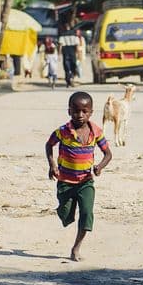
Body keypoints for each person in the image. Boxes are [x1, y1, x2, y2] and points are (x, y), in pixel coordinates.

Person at [46, 92, 113, 262]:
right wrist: (52, 165)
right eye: (76, 111)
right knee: (66, 215)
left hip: (85, 181)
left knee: (86, 213)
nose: (80, 115)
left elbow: (108, 154)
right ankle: (64, 211)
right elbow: (49, 145)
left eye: (85, 111)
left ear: (91, 112)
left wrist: (99, 167)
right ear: (69, 111)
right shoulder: (63, 131)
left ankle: (76, 248)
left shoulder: (96, 132)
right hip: (65, 181)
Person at [58, 22, 79, 87]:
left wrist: (59, 54)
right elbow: (77, 45)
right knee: (73, 66)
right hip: (72, 51)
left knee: (66, 67)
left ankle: (68, 81)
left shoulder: (62, 34)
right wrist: (78, 53)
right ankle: (72, 77)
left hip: (65, 51)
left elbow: (60, 45)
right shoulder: (74, 34)